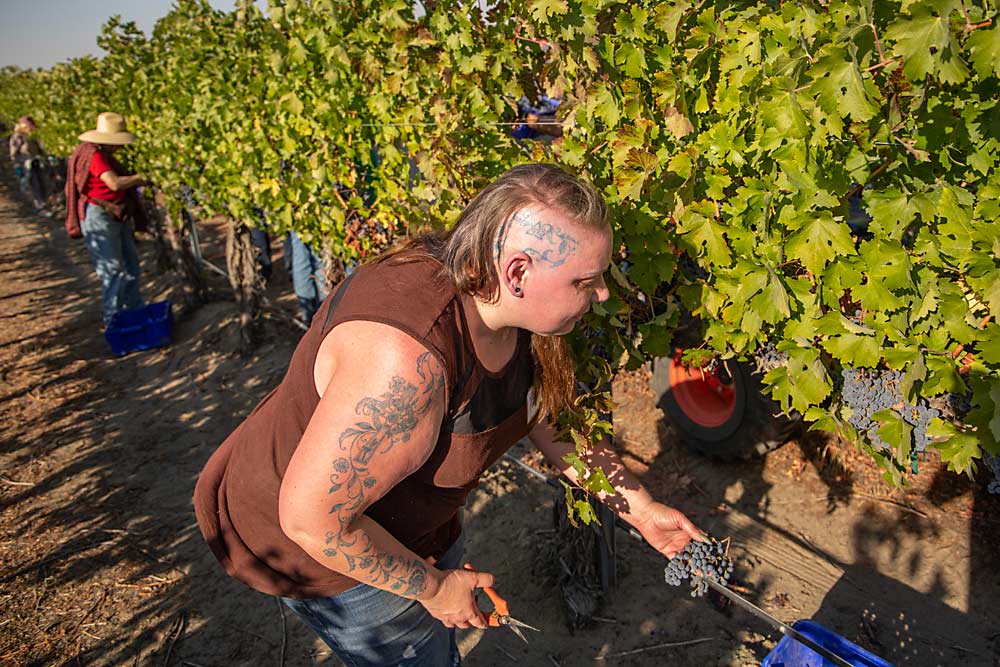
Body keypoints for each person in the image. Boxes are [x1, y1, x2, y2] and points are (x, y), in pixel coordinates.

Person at [193, 164, 704, 666]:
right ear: (518, 272)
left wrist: (642, 510)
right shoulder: (405, 367)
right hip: (325, 553)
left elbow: (550, 420)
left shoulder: (513, 310)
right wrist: (434, 587)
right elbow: (314, 521)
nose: (603, 295)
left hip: (404, 519)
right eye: (585, 281)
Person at [65, 112, 151, 326]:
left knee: (131, 264)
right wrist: (143, 178)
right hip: (99, 216)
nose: (120, 147)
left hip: (113, 213)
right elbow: (114, 184)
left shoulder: (99, 153)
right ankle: (114, 321)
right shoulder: (95, 156)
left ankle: (135, 313)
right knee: (112, 269)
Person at [8, 115, 51, 213]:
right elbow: (14, 153)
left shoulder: (32, 136)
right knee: (32, 183)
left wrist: (47, 157)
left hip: (36, 162)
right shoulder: (17, 137)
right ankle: (39, 205)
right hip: (26, 164)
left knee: (42, 182)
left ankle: (44, 203)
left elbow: (40, 149)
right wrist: (17, 166)